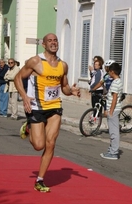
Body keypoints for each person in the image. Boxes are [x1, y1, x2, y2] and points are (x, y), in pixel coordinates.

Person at [13, 33, 81, 193]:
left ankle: (40, 180)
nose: (53, 43)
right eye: (50, 41)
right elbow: (17, 78)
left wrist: (71, 91)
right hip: (36, 106)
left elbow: (63, 87)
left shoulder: (63, 65)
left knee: (51, 143)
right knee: (39, 145)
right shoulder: (35, 61)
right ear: (43, 44)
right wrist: (24, 97)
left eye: (55, 40)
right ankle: (29, 127)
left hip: (55, 106)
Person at [100, 62, 123, 160]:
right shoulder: (118, 81)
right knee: (113, 131)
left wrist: (111, 111)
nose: (108, 73)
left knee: (113, 132)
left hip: (113, 110)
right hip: (115, 109)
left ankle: (113, 152)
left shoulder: (115, 83)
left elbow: (114, 98)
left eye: (109, 71)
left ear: (112, 72)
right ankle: (111, 150)